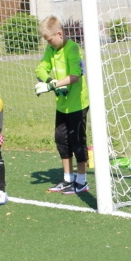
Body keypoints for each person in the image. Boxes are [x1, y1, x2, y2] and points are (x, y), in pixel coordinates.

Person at [34, 16, 89, 194]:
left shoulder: (73, 49)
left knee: (77, 142)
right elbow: (40, 69)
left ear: (59, 33)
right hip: (62, 106)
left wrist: (53, 85)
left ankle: (82, 181)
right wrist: (51, 81)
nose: (49, 44)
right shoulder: (51, 49)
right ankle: (67, 179)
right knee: (61, 141)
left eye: (50, 40)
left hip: (78, 104)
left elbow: (75, 76)